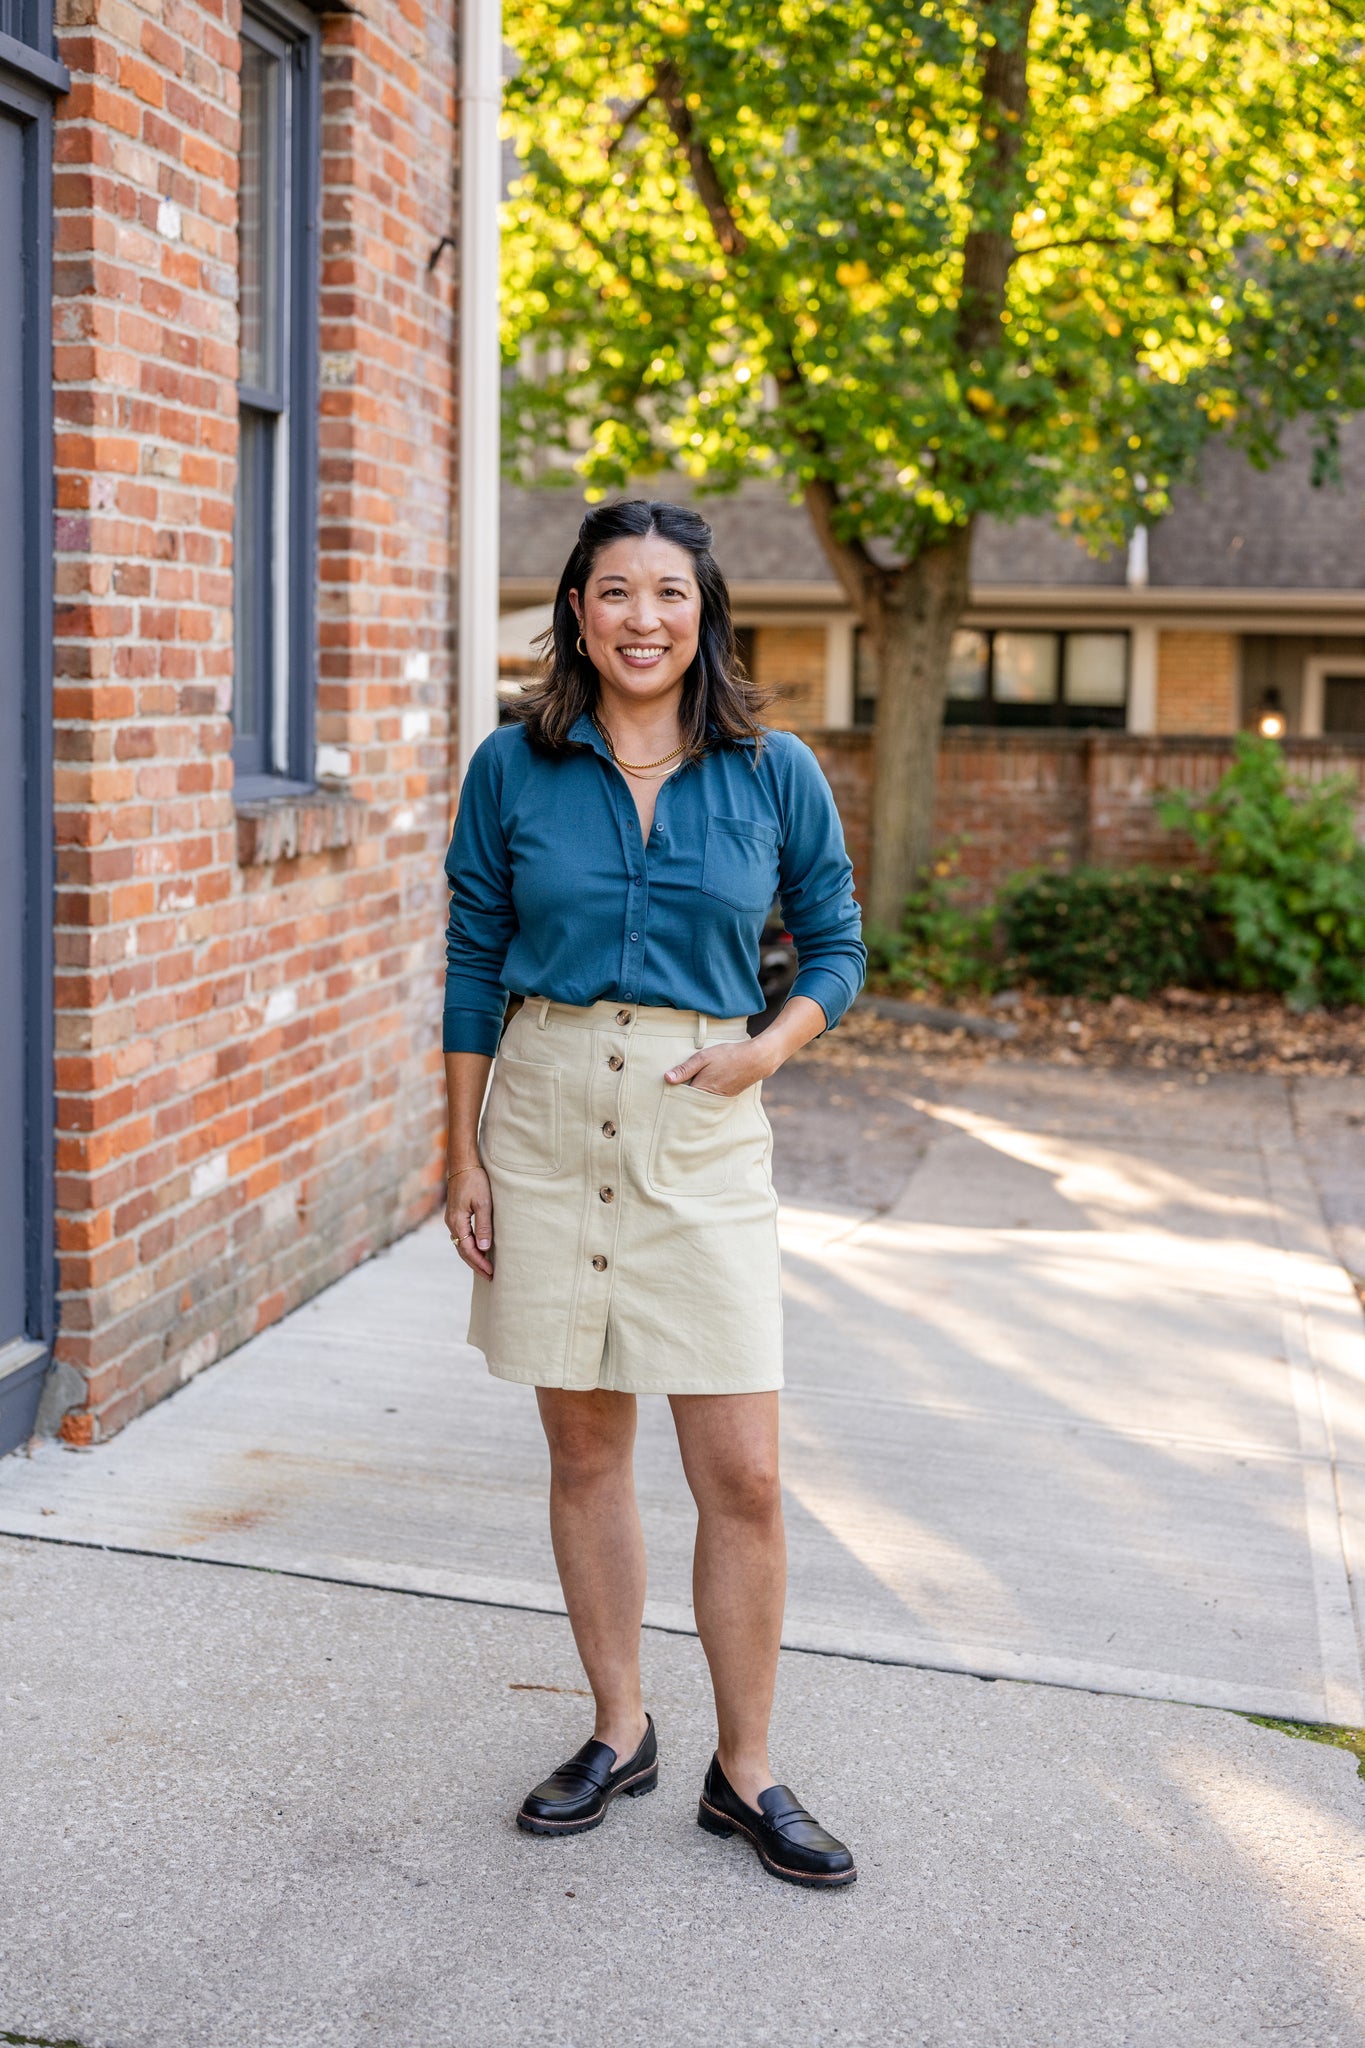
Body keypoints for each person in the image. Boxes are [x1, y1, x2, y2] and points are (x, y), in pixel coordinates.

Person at [442, 499, 866, 1890]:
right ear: (576, 612)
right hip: (548, 1115)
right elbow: (471, 957)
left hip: (701, 1125)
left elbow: (837, 946)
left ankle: (746, 1771)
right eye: (614, 591)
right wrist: (460, 1155)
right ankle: (618, 1728)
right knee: (584, 1452)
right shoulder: (512, 766)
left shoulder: (773, 770)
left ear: (703, 614)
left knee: (743, 1471)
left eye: (667, 593)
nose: (641, 618)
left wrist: (765, 1049)